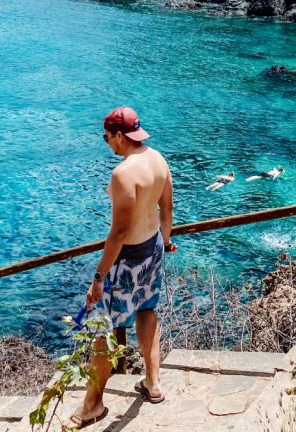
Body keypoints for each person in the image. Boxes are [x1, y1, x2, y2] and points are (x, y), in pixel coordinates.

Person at [65, 106, 174, 429]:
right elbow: (166, 209)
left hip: (126, 261)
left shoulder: (123, 174)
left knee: (102, 330)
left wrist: (98, 278)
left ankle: (93, 405)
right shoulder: (158, 159)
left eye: (107, 137)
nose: (107, 144)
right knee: (147, 311)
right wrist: (164, 244)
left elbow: (119, 232)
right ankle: (152, 383)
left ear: (119, 136)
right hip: (153, 248)